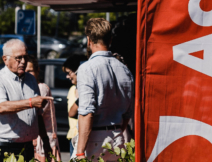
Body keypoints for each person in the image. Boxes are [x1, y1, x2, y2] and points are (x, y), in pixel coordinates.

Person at [75, 19, 134, 161]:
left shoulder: (87, 68)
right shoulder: (124, 69)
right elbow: (127, 114)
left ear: (88, 40)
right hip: (118, 138)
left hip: (94, 139)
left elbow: (87, 113)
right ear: (110, 40)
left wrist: (80, 152)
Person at [0, 39, 53, 158]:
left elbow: (37, 115)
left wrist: (46, 142)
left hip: (27, 145)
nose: (23, 62)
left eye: (25, 57)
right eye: (18, 58)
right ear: (5, 59)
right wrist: (31, 102)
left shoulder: (31, 80)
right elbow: (2, 107)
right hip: (3, 146)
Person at [25, 55, 61, 162]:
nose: (27, 74)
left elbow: (31, 114)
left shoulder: (41, 88)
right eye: (24, 71)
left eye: (30, 71)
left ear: (37, 71)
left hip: (43, 144)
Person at [62, 54, 84, 159]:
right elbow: (71, 113)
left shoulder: (86, 89)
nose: (67, 76)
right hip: (73, 137)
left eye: (69, 73)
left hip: (83, 136)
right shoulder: (72, 89)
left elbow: (72, 112)